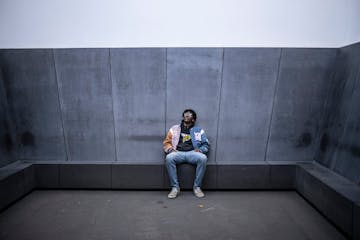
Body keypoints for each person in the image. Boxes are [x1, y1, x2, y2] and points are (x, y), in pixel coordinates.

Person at [163, 109, 210, 199]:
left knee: (203, 158)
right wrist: (170, 149)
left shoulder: (199, 130)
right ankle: (175, 188)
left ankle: (197, 187)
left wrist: (201, 150)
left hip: (192, 153)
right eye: (186, 114)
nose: (187, 115)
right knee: (169, 158)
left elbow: (206, 144)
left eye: (190, 114)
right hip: (178, 152)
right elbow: (166, 142)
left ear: (193, 119)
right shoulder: (174, 128)